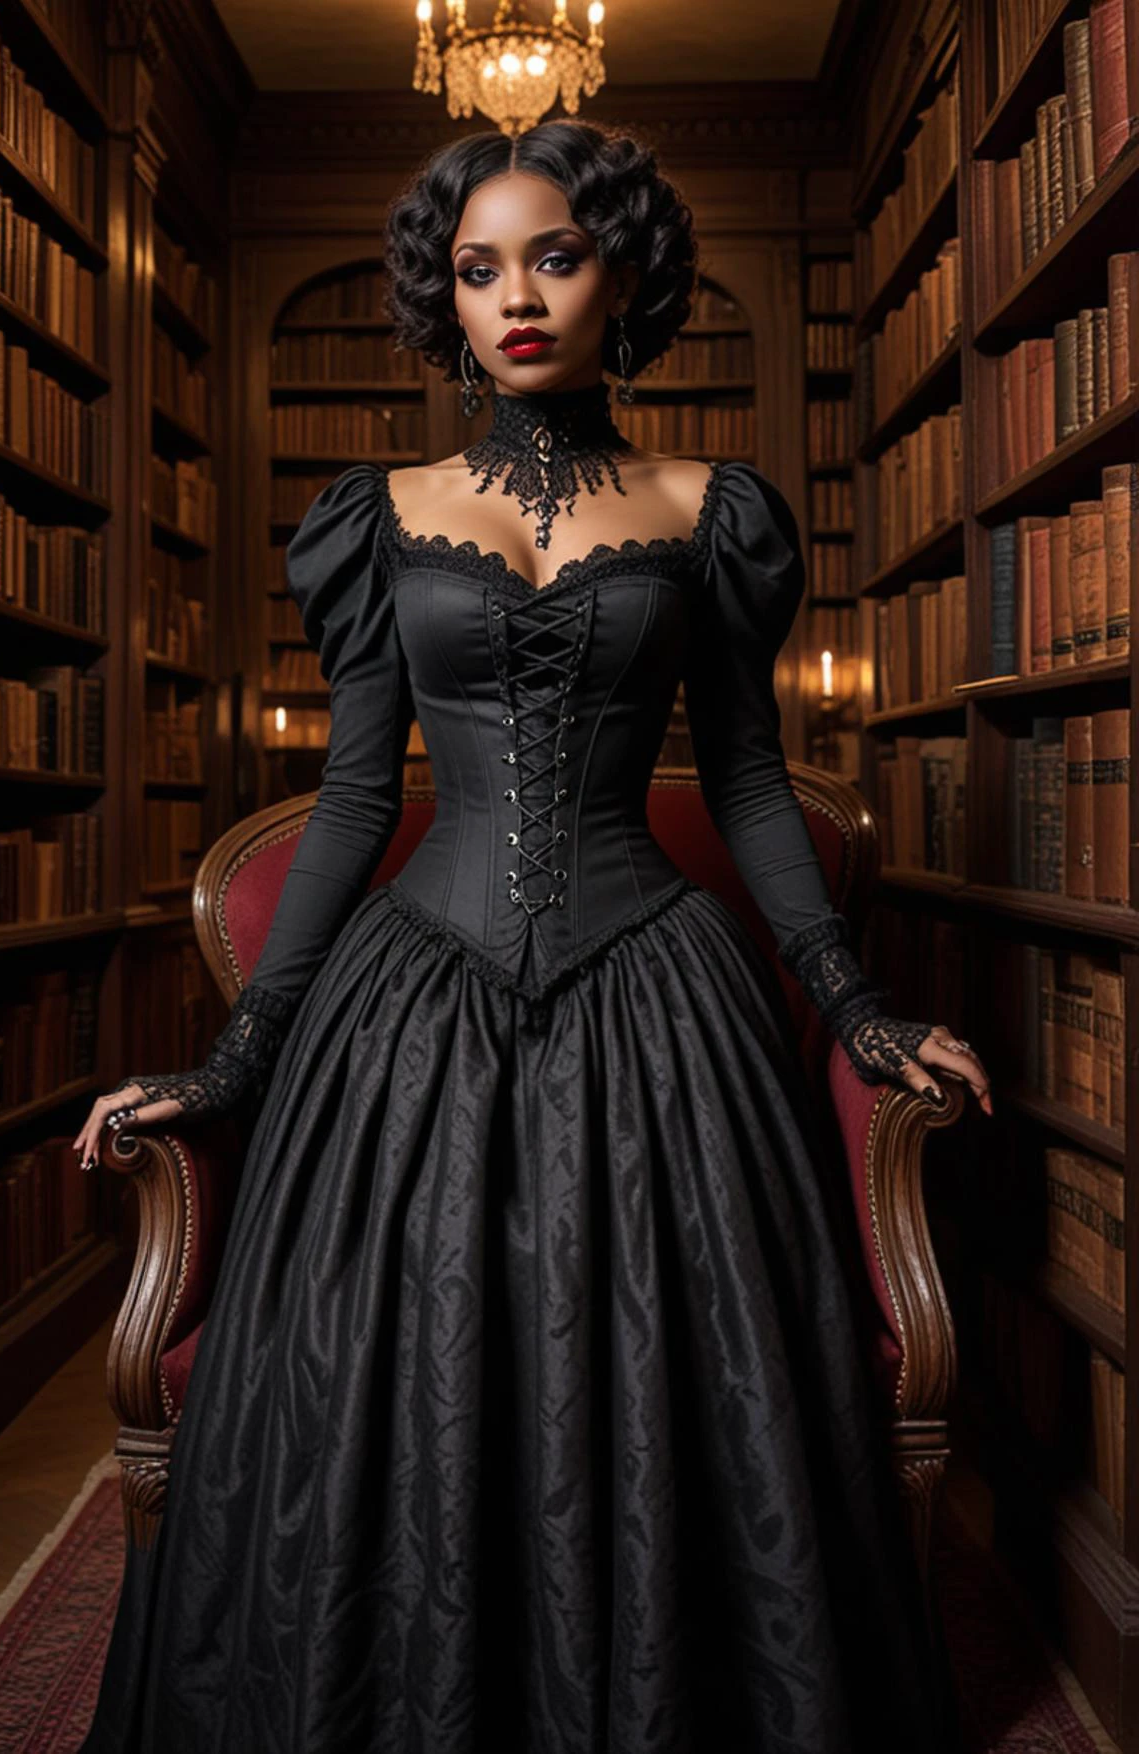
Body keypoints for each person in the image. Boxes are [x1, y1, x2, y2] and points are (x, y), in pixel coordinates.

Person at [75, 118, 991, 1753]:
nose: (517, 296)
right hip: (408, 998)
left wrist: (858, 1008)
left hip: (656, 980)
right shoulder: (380, 510)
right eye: (480, 266)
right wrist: (226, 1067)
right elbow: (357, 800)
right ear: (447, 292)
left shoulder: (715, 508)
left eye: (555, 256)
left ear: (623, 270)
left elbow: (755, 785)